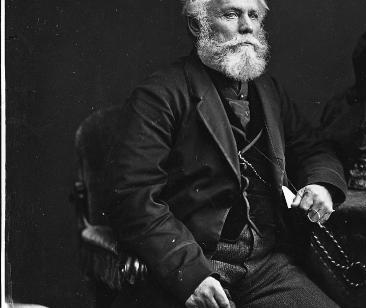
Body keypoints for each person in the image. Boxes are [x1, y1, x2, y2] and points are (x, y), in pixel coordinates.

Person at [106, 0, 347, 307]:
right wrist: (189, 274)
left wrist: (321, 184)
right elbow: (132, 197)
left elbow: (313, 148)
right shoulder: (159, 95)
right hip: (195, 262)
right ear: (198, 25)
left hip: (266, 267)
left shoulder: (268, 90)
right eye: (231, 14)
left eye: (253, 15)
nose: (246, 26)